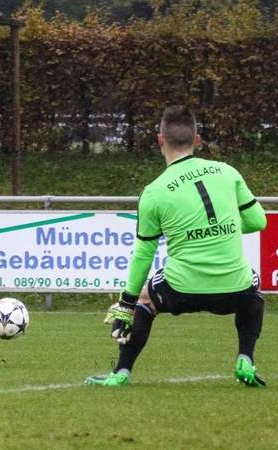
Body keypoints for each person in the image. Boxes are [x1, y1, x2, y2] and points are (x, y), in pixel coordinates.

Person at [86, 106, 268, 387]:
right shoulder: (228, 172)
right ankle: (246, 359)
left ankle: (120, 373)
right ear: (197, 140)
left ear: (160, 140)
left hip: (182, 290)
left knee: (145, 301)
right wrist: (218, 229)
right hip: (233, 290)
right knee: (253, 289)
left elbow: (144, 253)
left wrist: (126, 303)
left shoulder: (153, 192)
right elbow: (258, 221)